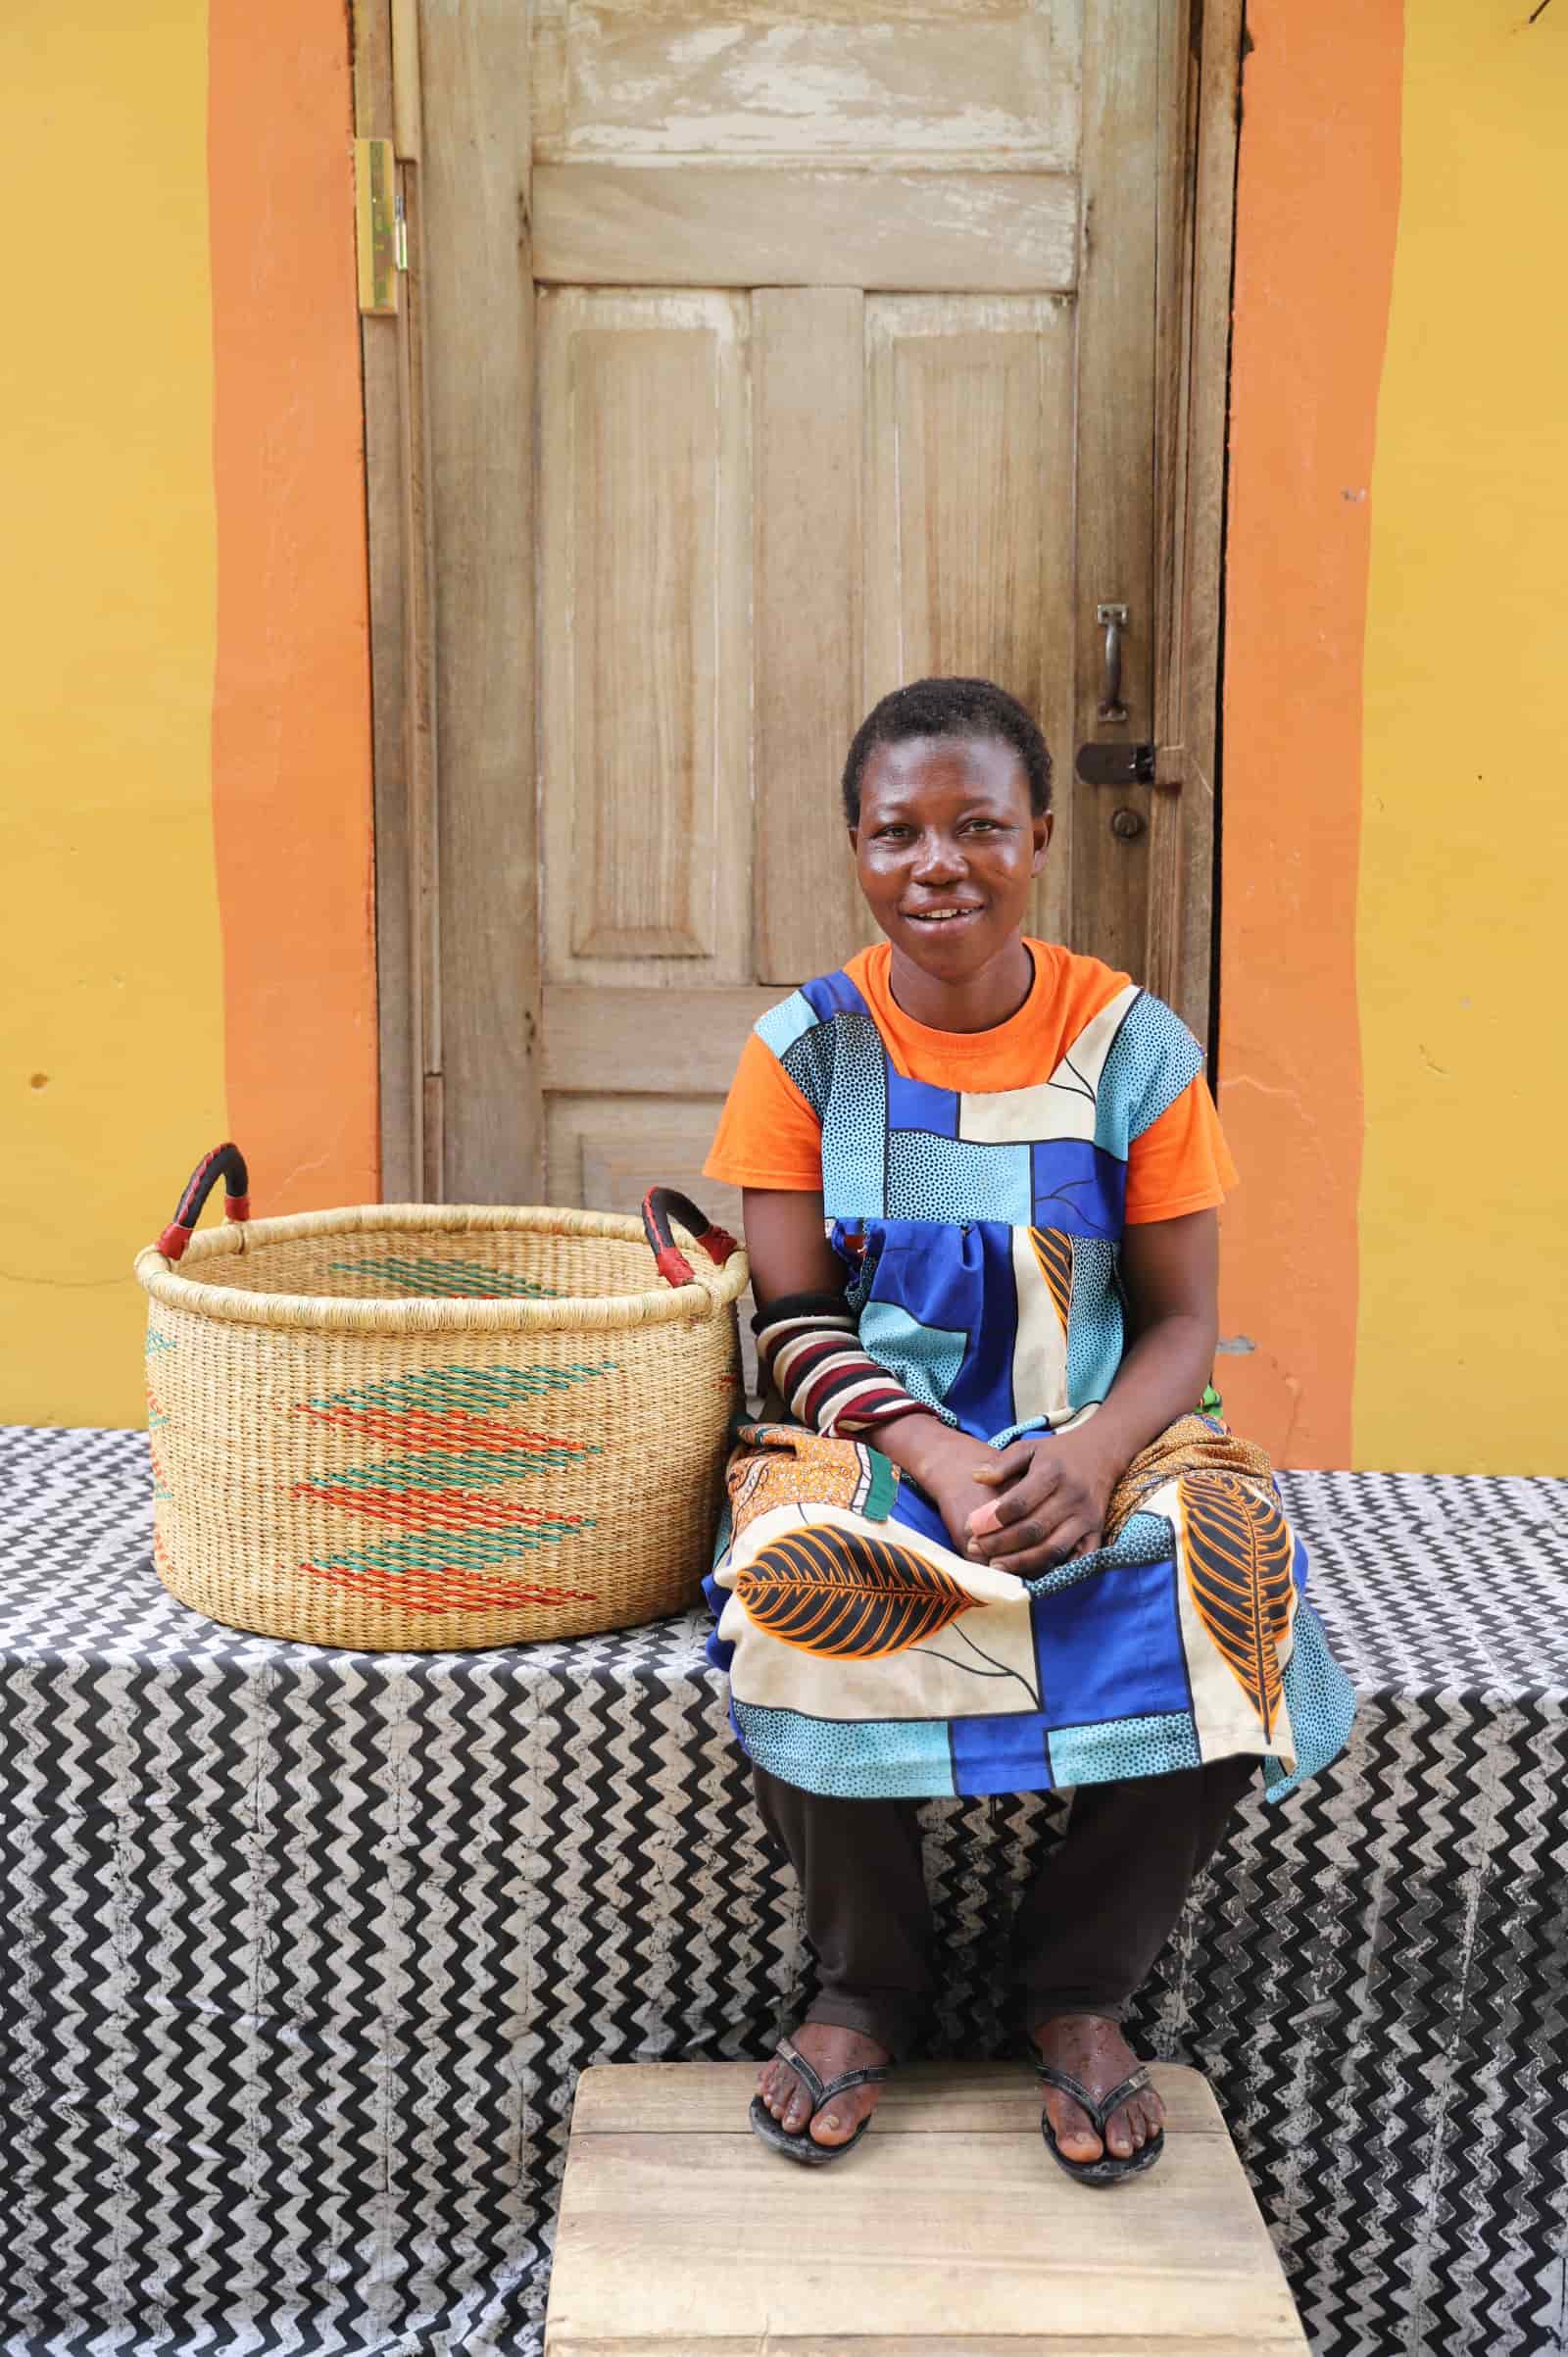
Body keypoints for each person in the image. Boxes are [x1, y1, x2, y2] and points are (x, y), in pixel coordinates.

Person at [701, 676, 1354, 2185]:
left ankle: (1075, 1982)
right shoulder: (805, 1052)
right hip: (875, 1436)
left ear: (1041, 836)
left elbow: (1183, 1324)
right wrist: (931, 1453)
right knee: (794, 1577)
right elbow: (792, 1321)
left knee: (1236, 1572)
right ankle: (870, 1982)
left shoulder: (1133, 1046)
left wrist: (1096, 1452)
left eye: (979, 826)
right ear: (856, 849)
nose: (939, 863)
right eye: (898, 831)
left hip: (1104, 1426)